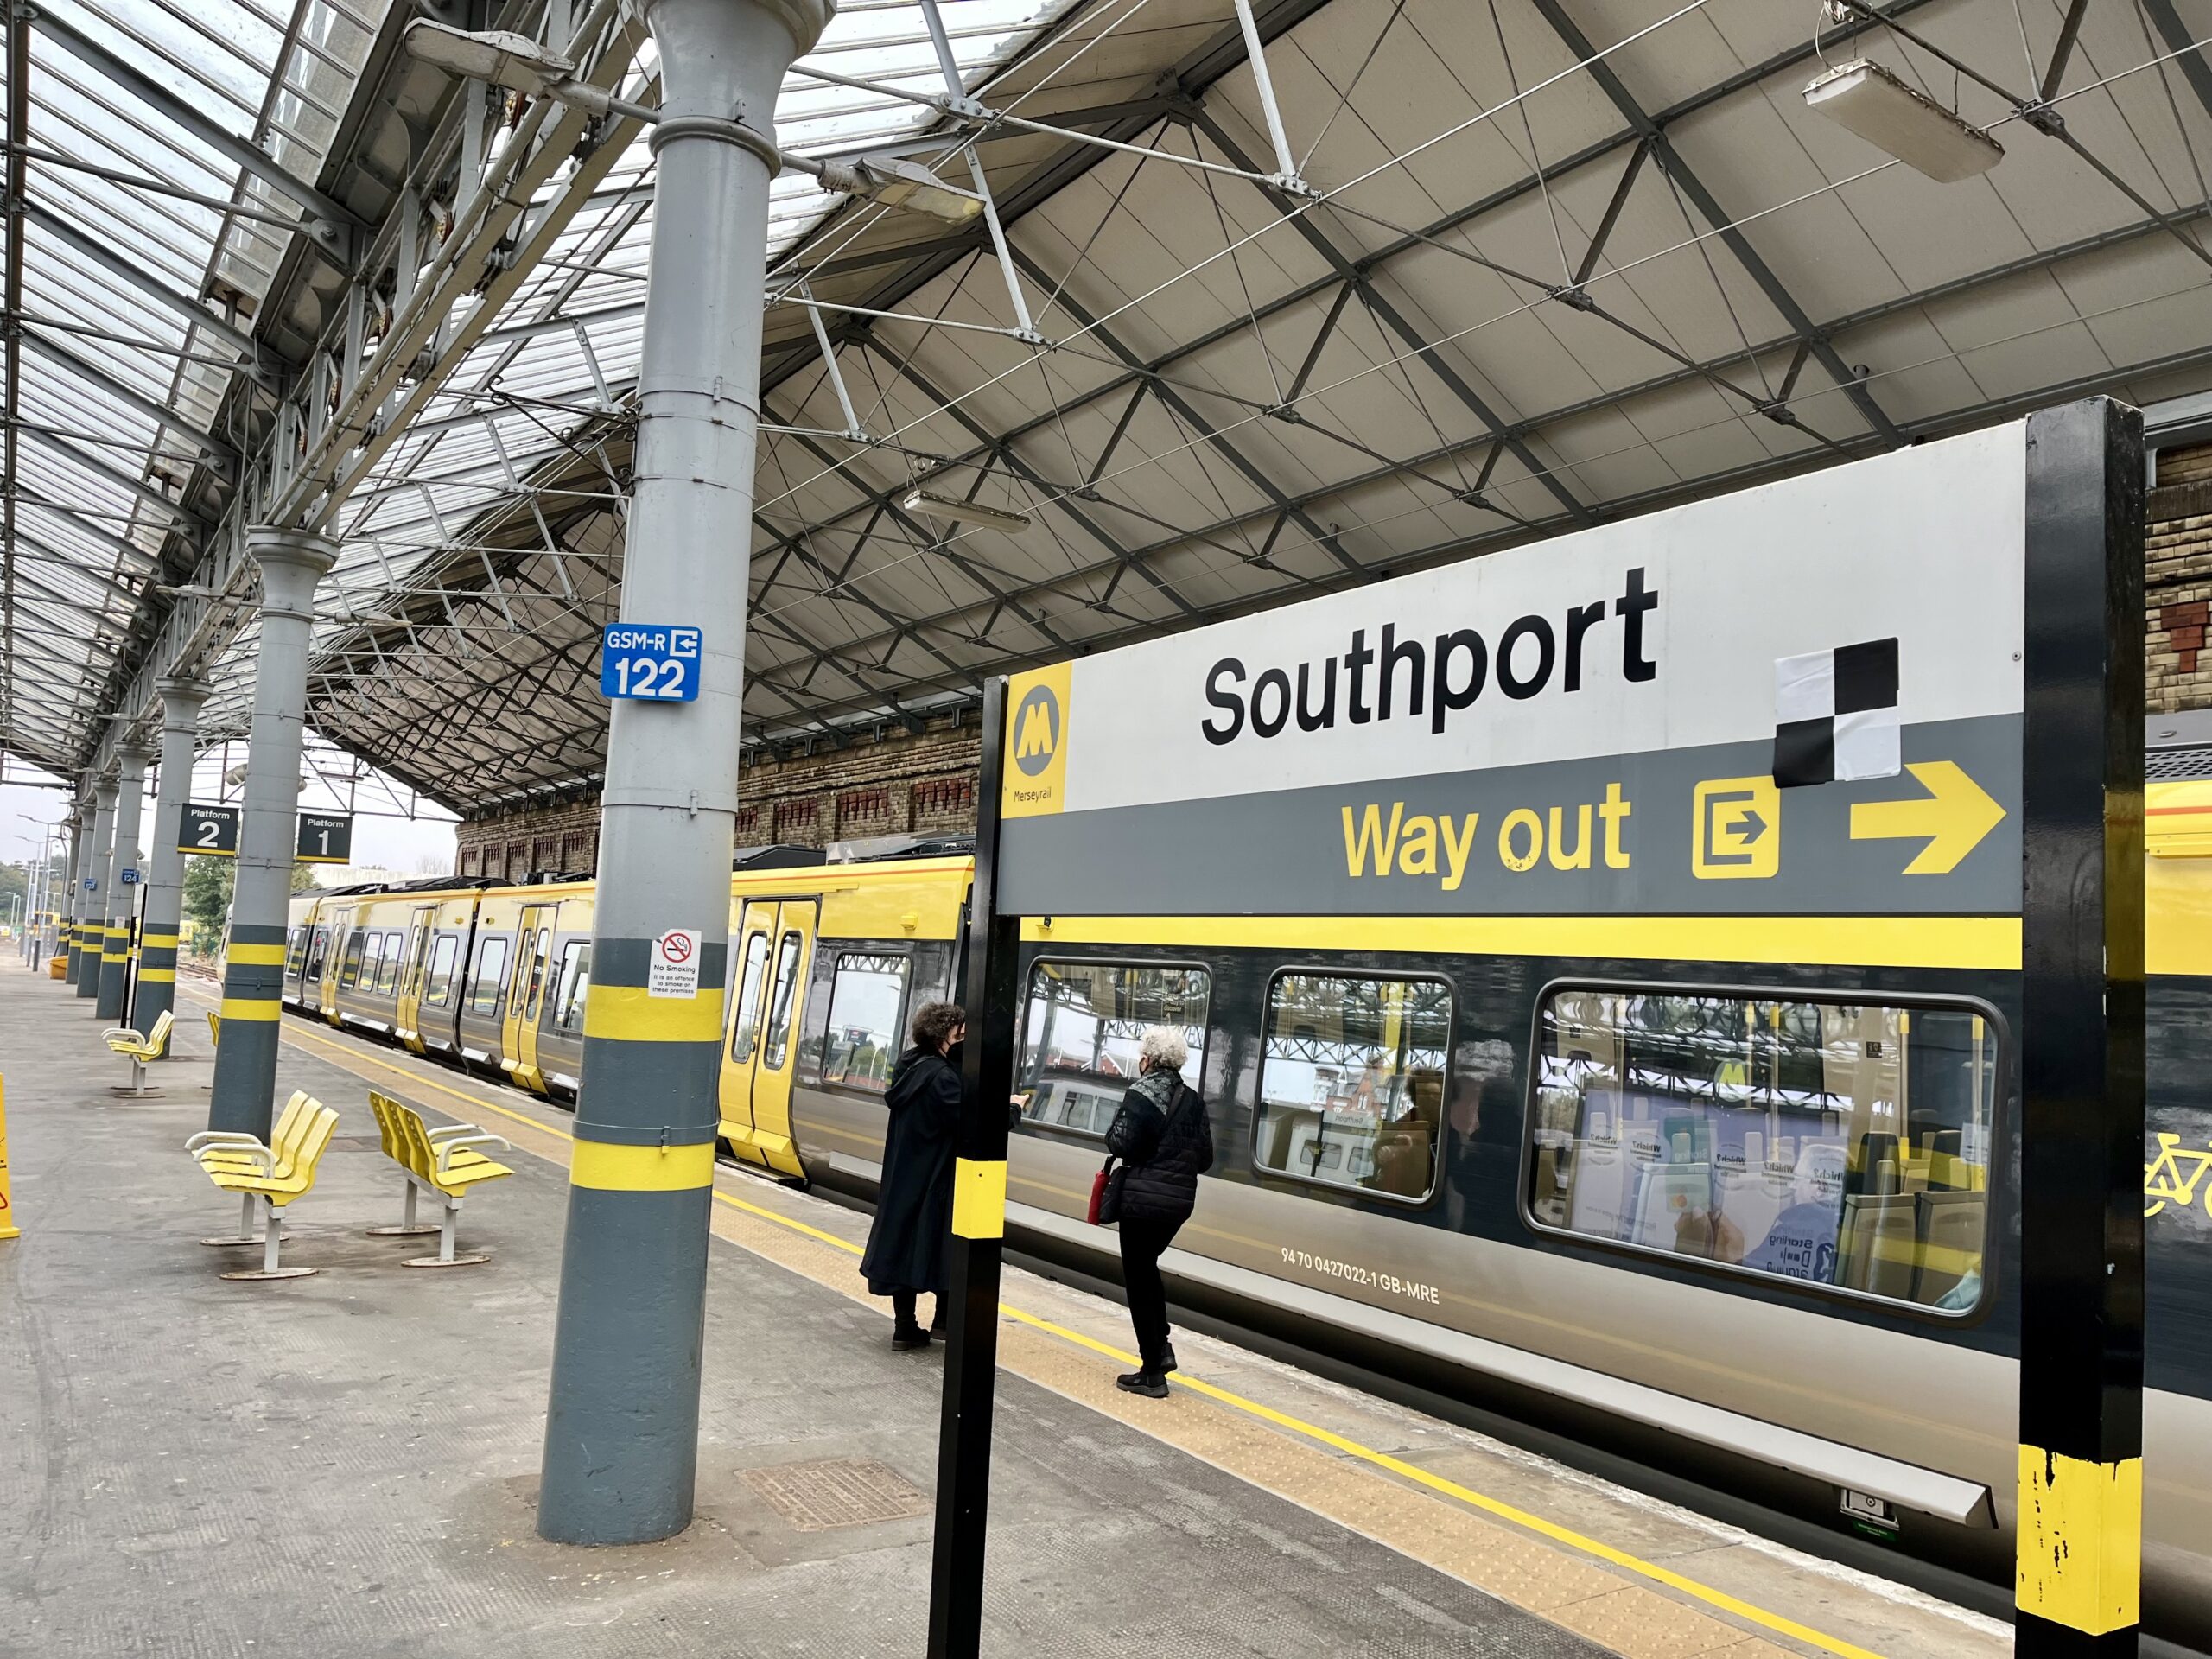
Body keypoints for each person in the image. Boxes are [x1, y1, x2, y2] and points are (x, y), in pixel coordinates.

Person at [1103, 1027, 1213, 1397]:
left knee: (1139, 1279)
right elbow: (1206, 1159)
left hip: (1142, 1201)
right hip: (1178, 1204)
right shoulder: (1195, 1101)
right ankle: (1160, 1351)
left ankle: (1153, 1370)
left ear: (1147, 1060)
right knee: (1147, 1270)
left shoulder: (1142, 1092)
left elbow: (1119, 1141)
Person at [860, 1001, 966, 1350]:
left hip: (902, 1174)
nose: (963, 1036)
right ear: (944, 1034)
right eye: (958, 1031)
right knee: (944, 1243)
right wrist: (1011, 1109)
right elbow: (970, 1124)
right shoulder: (943, 1077)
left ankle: (905, 1326)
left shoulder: (907, 1065)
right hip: (936, 1176)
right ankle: (944, 1322)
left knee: (902, 1243)